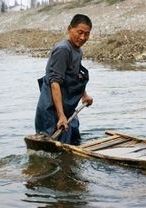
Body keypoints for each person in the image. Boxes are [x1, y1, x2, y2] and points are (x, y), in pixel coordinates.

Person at [35, 14, 93, 145]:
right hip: (52, 111)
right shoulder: (63, 50)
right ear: (69, 29)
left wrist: (84, 95)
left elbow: (76, 76)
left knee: (73, 144)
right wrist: (61, 116)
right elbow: (54, 83)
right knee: (53, 151)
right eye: (80, 32)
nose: (83, 37)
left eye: (87, 34)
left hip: (68, 108)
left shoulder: (77, 51)